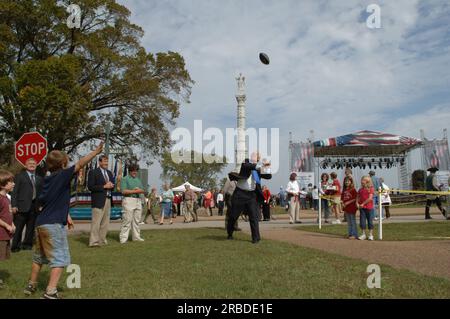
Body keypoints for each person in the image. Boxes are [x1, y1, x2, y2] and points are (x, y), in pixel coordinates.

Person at [24, 142, 103, 299]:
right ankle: (50, 291)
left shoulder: (47, 180)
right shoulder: (62, 175)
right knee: (60, 258)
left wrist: (66, 216)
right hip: (53, 225)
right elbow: (80, 164)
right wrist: (95, 152)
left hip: (41, 223)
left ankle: (31, 285)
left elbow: (48, 201)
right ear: (62, 163)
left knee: (39, 257)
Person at [227, 152, 272, 243]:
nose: (253, 156)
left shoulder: (258, 169)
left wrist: (267, 167)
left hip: (252, 195)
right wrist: (260, 165)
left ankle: (255, 238)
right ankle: (230, 233)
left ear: (258, 158)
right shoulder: (246, 162)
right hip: (240, 193)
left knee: (254, 216)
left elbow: (268, 176)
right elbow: (248, 166)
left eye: (255, 156)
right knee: (233, 216)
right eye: (252, 155)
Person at [10, 158, 43, 252]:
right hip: (21, 206)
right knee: (18, 228)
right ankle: (15, 246)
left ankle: (27, 245)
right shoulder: (19, 176)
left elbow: (41, 194)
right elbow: (14, 192)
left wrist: (41, 205)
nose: (32, 165)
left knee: (31, 227)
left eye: (34, 163)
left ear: (36, 165)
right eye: (30, 163)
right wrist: (14, 205)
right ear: (25, 165)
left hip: (35, 206)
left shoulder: (39, 178)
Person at [87, 154, 114, 247]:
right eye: (104, 161)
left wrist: (111, 185)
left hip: (108, 199)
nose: (106, 163)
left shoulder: (110, 173)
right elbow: (90, 187)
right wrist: (104, 186)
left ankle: (102, 240)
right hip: (98, 200)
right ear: (100, 162)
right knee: (96, 222)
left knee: (105, 223)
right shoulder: (93, 172)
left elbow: (111, 185)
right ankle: (93, 242)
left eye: (107, 161)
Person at [119, 163, 145, 243]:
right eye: (133, 170)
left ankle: (136, 237)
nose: (135, 172)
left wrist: (139, 190)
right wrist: (135, 191)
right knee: (127, 220)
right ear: (129, 171)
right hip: (128, 200)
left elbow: (142, 190)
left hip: (138, 200)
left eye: (136, 170)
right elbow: (123, 191)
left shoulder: (138, 180)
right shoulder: (125, 179)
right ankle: (123, 238)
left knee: (136, 220)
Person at [0, 170, 15, 289]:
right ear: (3, 184)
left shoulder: (7, 198)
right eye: (11, 181)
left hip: (5, 234)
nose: (13, 184)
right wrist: (6, 225)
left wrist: (13, 224)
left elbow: (8, 213)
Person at [357, 176, 375, 241]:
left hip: (369, 208)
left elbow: (370, 198)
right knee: (362, 221)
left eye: (363, 180)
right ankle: (363, 234)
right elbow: (358, 197)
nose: (362, 181)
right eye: (362, 180)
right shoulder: (360, 189)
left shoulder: (371, 188)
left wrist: (363, 204)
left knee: (370, 221)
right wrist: (357, 203)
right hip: (362, 208)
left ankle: (370, 235)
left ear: (367, 181)